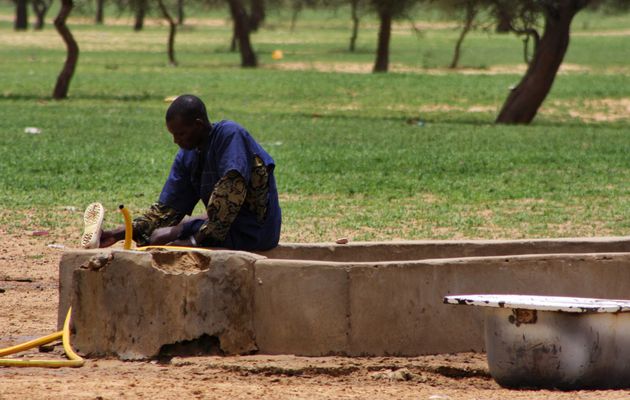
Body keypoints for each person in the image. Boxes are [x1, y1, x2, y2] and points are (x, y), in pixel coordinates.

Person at [82, 94, 281, 251]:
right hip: (222, 230)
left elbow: (230, 197)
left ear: (199, 125)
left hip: (253, 233)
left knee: (169, 236)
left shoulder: (230, 135)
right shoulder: (188, 155)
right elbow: (165, 213)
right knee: (157, 236)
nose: (176, 140)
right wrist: (118, 234)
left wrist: (193, 241)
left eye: (181, 133)